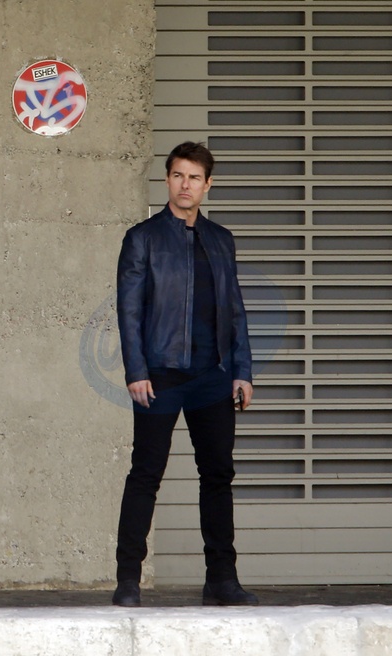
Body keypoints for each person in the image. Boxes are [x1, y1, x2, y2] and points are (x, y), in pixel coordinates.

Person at [113, 141, 257, 607]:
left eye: (194, 177)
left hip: (212, 376)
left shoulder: (221, 239)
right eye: (178, 175)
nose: (185, 185)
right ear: (167, 179)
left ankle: (222, 580)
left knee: (217, 475)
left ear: (207, 184)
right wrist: (136, 370)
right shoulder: (143, 238)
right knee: (146, 474)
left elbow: (235, 311)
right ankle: (128, 580)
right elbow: (129, 312)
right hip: (159, 375)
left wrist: (242, 371)